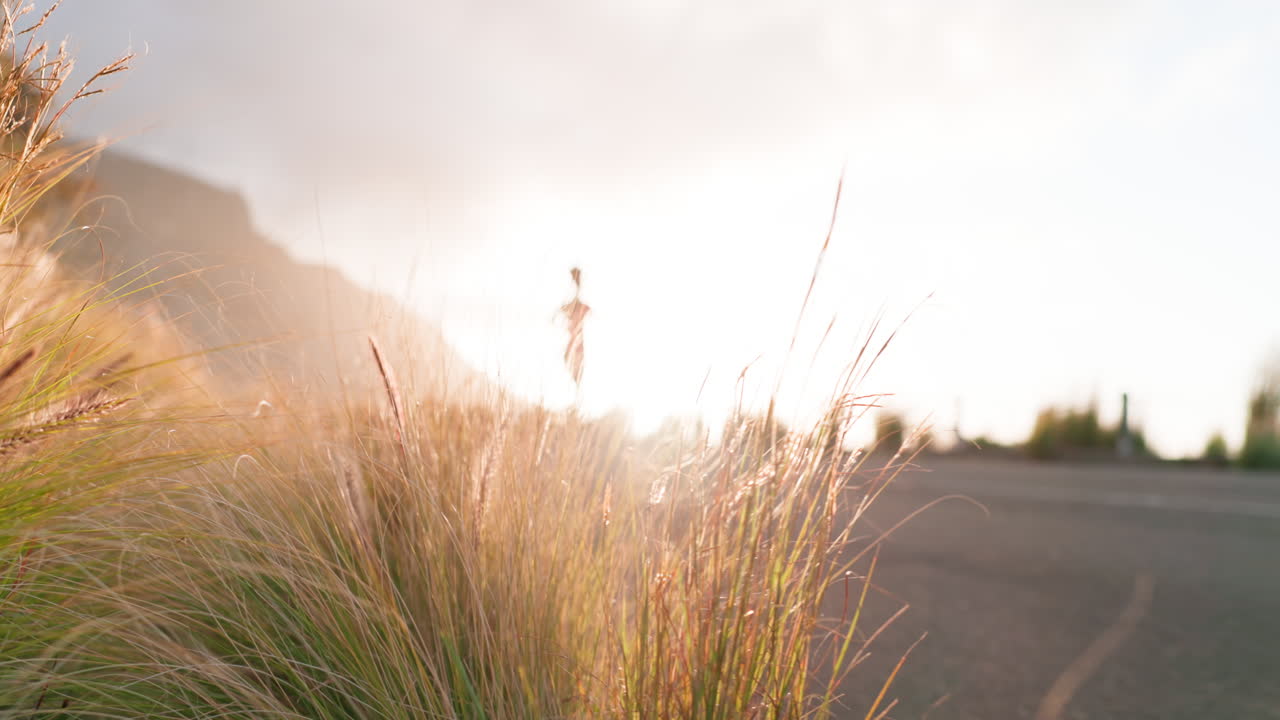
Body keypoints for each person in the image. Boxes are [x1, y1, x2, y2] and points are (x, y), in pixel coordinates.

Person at [560, 267, 590, 387]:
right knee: (570, 360)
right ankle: (577, 389)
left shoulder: (577, 306)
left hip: (576, 341)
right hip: (575, 341)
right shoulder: (575, 306)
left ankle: (577, 390)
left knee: (571, 361)